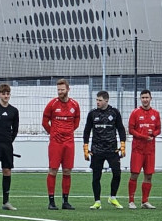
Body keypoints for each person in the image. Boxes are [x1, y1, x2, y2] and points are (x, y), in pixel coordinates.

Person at [82, 90, 125, 209]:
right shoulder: (92, 114)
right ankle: (97, 201)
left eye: (100, 100)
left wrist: (122, 145)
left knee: (117, 173)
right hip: (97, 149)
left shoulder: (114, 112)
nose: (97, 102)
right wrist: (85, 147)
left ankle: (113, 197)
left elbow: (121, 129)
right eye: (96, 100)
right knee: (96, 176)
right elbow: (86, 131)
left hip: (112, 149)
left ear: (106, 100)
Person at [42, 78, 81, 210]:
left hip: (69, 142)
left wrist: (68, 132)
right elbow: (44, 122)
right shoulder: (52, 104)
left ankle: (65, 201)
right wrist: (53, 133)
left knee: (67, 170)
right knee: (53, 170)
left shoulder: (74, 105)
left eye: (62, 90)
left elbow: (76, 122)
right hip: (55, 142)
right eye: (58, 90)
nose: (60, 92)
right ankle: (51, 201)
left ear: (68, 89)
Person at [127, 89, 161, 209]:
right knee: (135, 174)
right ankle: (131, 201)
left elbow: (158, 129)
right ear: (140, 99)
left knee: (149, 175)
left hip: (150, 150)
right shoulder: (135, 113)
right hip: (138, 149)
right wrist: (143, 136)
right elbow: (131, 130)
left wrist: (153, 134)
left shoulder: (156, 113)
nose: (145, 100)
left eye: (147, 97)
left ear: (150, 98)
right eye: (143, 98)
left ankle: (145, 201)